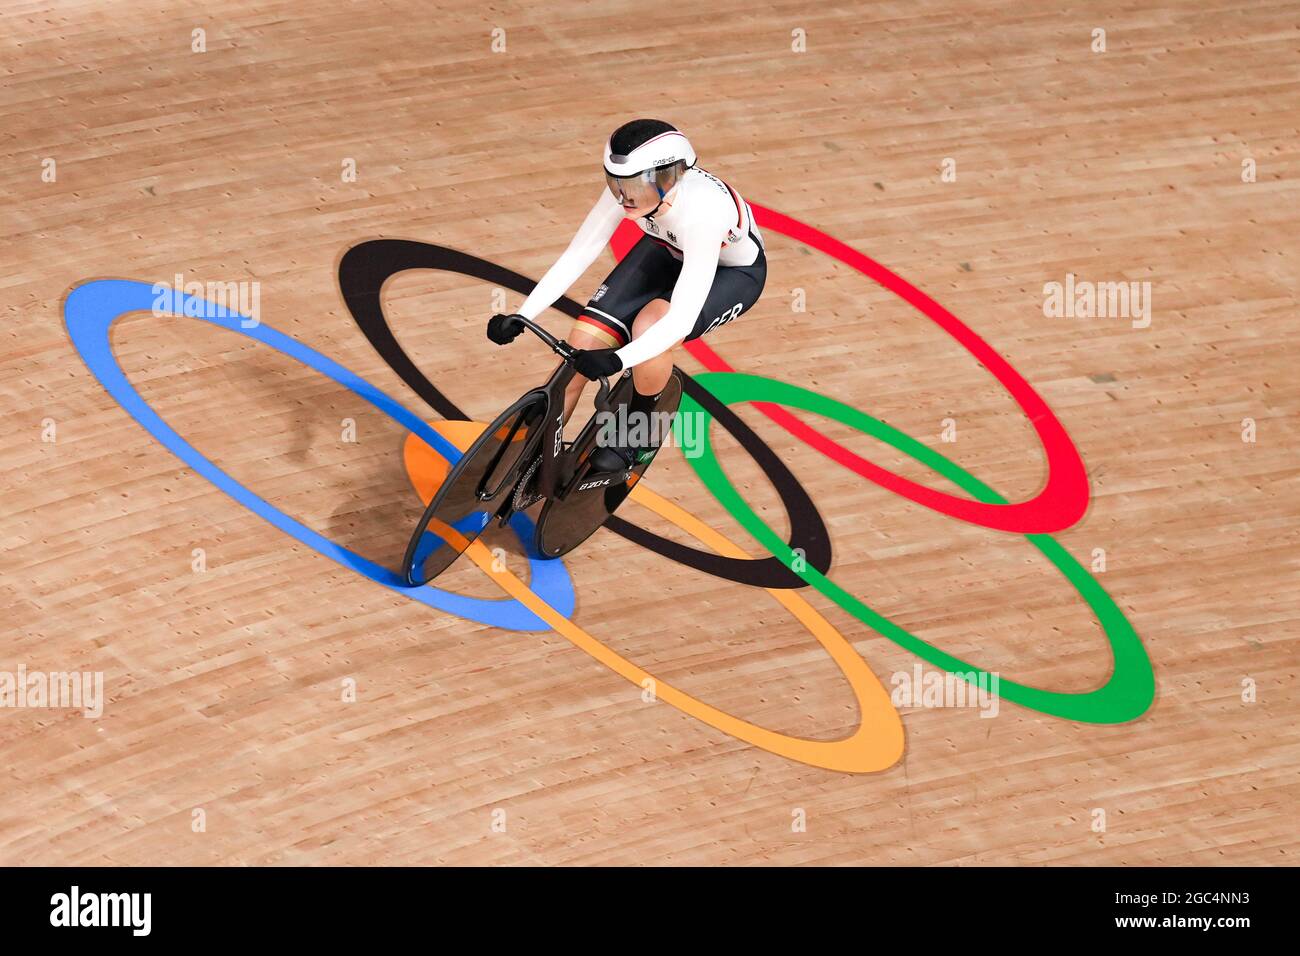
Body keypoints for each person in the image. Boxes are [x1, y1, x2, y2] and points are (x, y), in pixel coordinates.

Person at [487, 119, 766, 472]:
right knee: (579, 350)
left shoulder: (702, 213)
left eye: (632, 185)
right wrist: (525, 313)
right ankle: (527, 461)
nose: (623, 197)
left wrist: (618, 360)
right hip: (668, 250)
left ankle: (642, 430)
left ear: (669, 178)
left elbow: (680, 318)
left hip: (732, 273)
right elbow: (579, 253)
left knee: (652, 325)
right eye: (614, 182)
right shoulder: (634, 190)